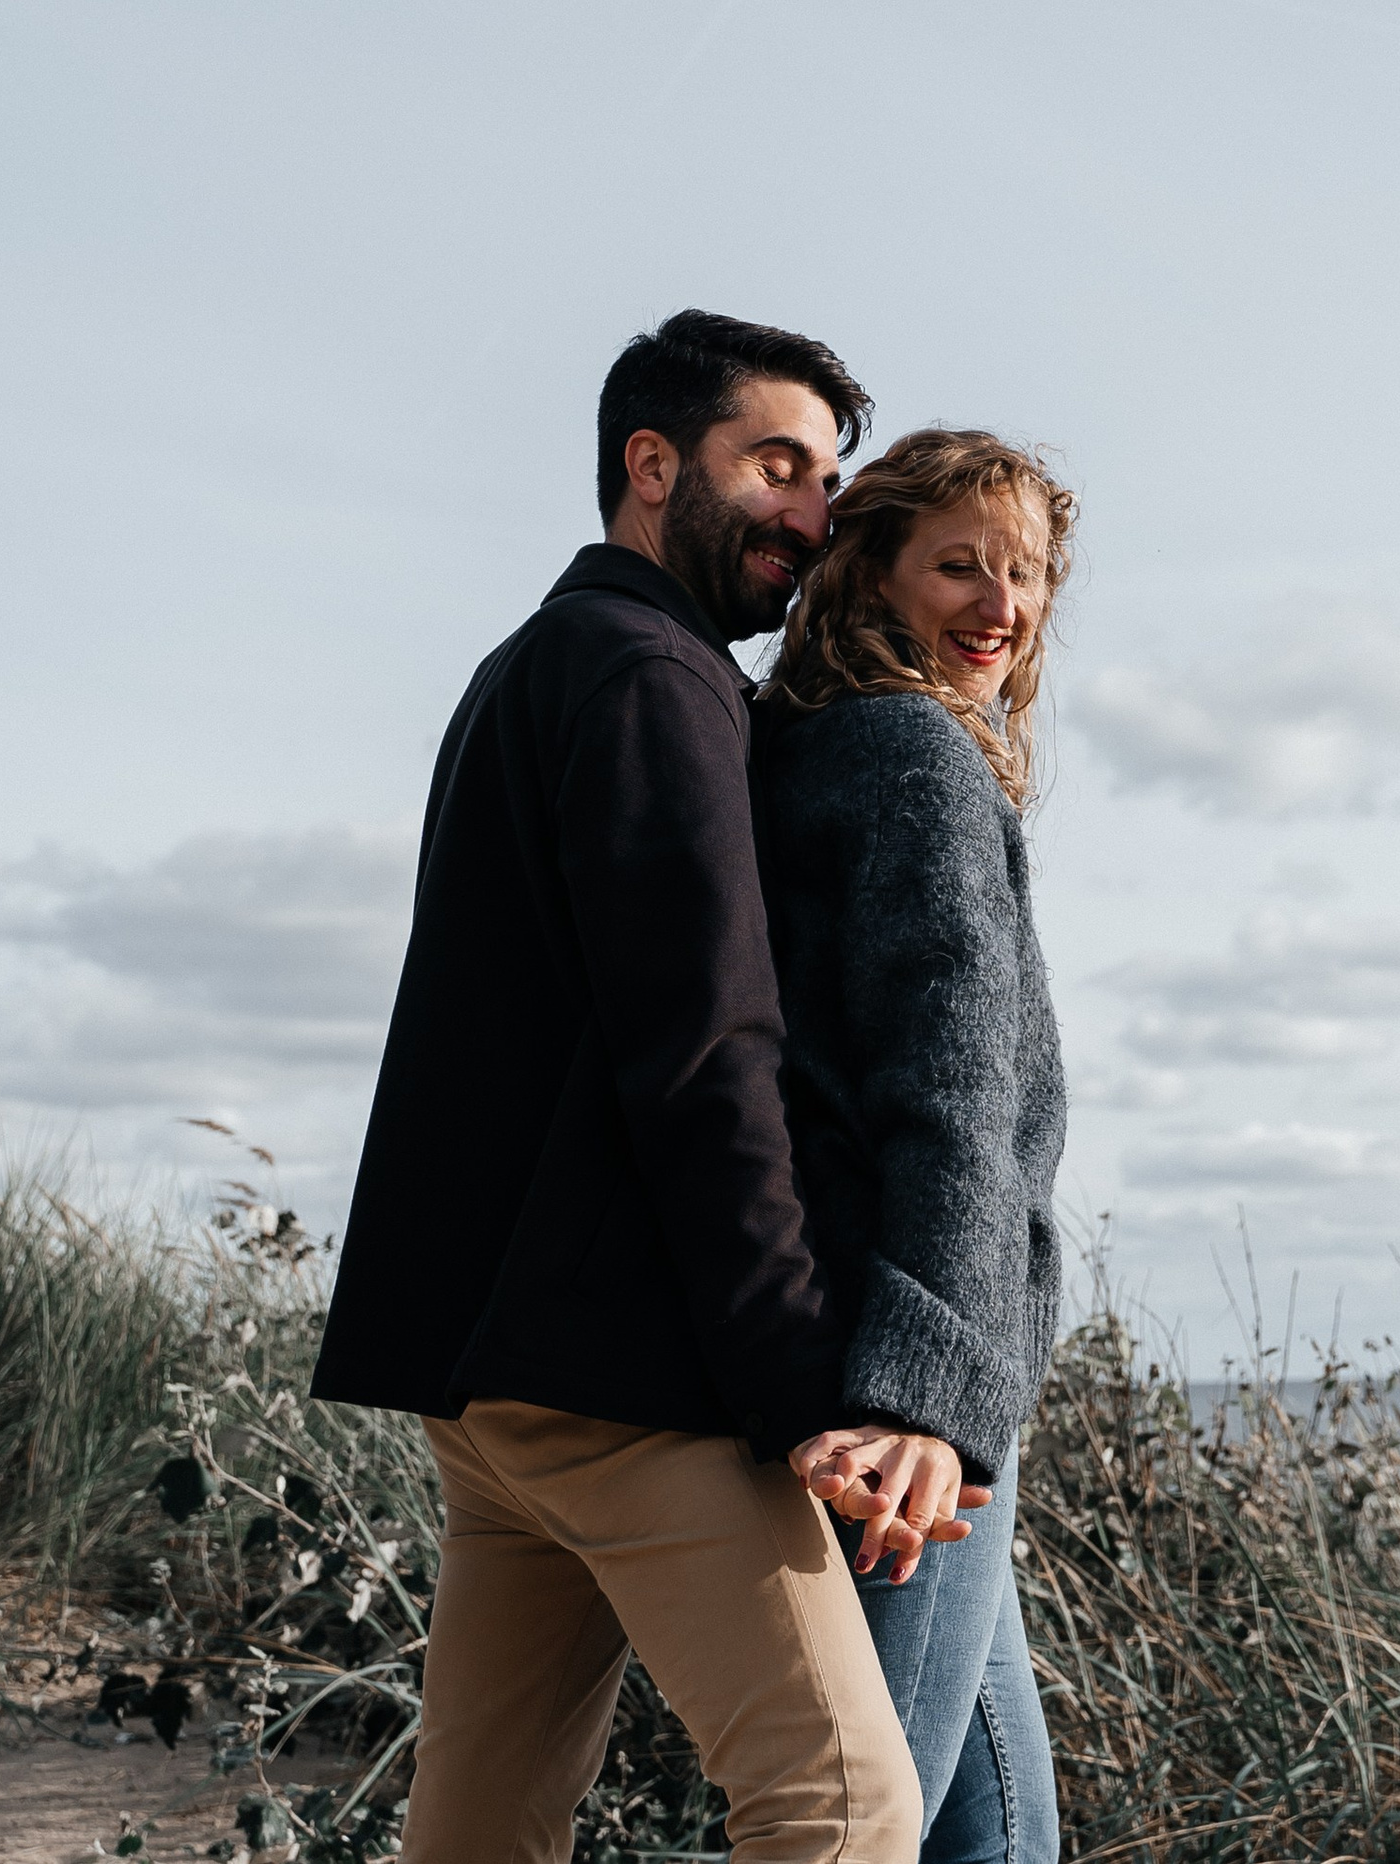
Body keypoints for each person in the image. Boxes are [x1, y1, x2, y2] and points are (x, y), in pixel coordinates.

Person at [313, 310, 956, 1864]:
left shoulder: (523, 668)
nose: (811, 512)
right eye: (775, 464)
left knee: (483, 1829)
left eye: (826, 477)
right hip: (621, 1386)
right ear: (650, 464)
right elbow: (706, 1057)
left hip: (491, 1391)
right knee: (849, 1802)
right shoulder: (658, 680)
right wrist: (796, 1383)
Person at [756, 429, 1076, 1864]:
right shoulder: (912, 757)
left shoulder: (801, 755)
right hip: (915, 1390)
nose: (1001, 606)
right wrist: (931, 1410)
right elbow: (952, 1097)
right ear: (867, 575)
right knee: (858, 1828)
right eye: (959, 564)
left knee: (997, 1824)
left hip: (887, 1351)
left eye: (1027, 576)